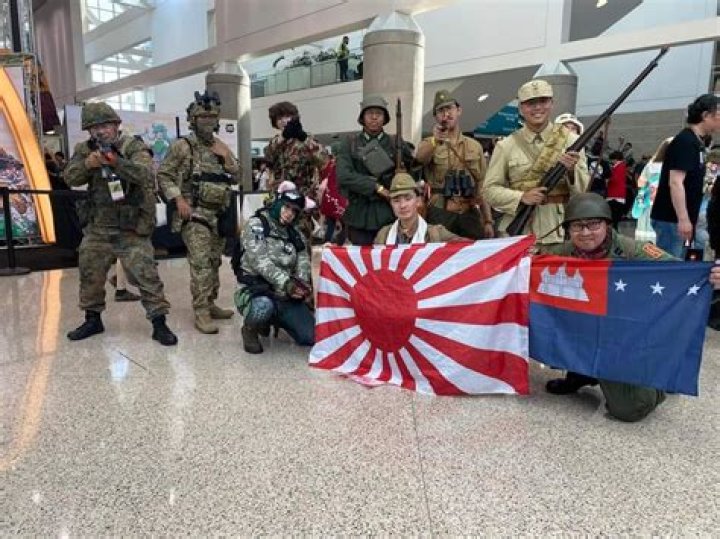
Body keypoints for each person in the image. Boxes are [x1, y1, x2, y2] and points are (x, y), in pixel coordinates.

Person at [538, 193, 720, 422]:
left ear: (607, 225)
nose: (585, 233)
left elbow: (679, 273)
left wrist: (711, 277)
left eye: (593, 224)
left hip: (624, 341)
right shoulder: (560, 254)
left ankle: (657, 381)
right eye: (577, 226)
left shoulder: (635, 252)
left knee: (631, 408)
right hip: (583, 335)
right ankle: (581, 371)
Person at [64, 102, 177, 346]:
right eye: (94, 127)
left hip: (131, 228)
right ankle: (92, 319)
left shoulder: (133, 146)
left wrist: (116, 162)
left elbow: (145, 175)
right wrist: (88, 165)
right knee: (90, 274)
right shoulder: (84, 150)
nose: (100, 131)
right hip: (98, 227)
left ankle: (159, 323)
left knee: (146, 275)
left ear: (116, 125)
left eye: (105, 125)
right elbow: (70, 177)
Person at [157, 90, 239, 334]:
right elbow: (164, 175)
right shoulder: (182, 146)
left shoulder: (220, 146)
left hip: (218, 215)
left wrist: (227, 158)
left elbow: (237, 176)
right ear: (193, 120)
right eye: (203, 117)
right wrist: (178, 199)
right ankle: (201, 310)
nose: (208, 122)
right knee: (201, 263)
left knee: (214, 261)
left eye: (212, 117)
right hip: (194, 214)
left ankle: (210, 302)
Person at [483, 79, 590, 246]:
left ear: (552, 103)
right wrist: (521, 197)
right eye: (530, 103)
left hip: (558, 230)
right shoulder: (506, 145)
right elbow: (489, 191)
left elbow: (583, 193)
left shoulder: (571, 141)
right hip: (518, 231)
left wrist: (571, 172)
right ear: (521, 108)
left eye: (543, 101)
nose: (537, 107)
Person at [232, 189, 314, 354]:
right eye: (286, 207)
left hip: (285, 294)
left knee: (310, 336)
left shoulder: (296, 234)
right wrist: (287, 283)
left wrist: (301, 285)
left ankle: (278, 319)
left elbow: (303, 262)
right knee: (263, 306)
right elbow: (259, 262)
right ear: (278, 204)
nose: (289, 214)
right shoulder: (256, 225)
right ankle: (250, 329)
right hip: (256, 290)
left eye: (294, 211)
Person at [336, 94, 415, 245]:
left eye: (378, 113)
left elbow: (414, 171)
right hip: (359, 214)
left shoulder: (395, 142)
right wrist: (376, 187)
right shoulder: (350, 143)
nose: (374, 117)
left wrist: (402, 175)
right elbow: (344, 176)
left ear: (384, 118)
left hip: (388, 213)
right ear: (362, 117)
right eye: (369, 113)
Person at [415, 89, 494, 240]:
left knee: (475, 251)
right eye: (441, 111)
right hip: (440, 212)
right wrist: (435, 141)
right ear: (435, 117)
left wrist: (487, 220)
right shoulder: (429, 143)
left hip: (469, 211)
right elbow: (420, 159)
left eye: (450, 108)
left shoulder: (474, 146)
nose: (446, 114)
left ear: (459, 110)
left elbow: (482, 184)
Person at [651, 94, 720, 258]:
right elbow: (675, 182)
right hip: (673, 220)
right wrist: (683, 219)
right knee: (671, 263)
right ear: (705, 115)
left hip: (685, 219)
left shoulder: (697, 143)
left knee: (683, 259)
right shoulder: (685, 141)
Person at [263, 101, 326, 199]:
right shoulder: (275, 142)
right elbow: (268, 157)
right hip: (280, 195)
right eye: (279, 118)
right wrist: (283, 137)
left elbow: (322, 159)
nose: (284, 121)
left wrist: (303, 138)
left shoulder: (307, 139)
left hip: (304, 195)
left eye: (287, 116)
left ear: (294, 117)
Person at [375, 173, 460, 244]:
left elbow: (465, 249)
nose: (402, 205)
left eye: (408, 199)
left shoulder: (436, 234)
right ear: (391, 204)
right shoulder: (384, 235)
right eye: (396, 201)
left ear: (418, 201)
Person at [631, 138, 672, 242]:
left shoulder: (651, 165)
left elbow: (640, 183)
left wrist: (648, 187)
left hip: (647, 206)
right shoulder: (674, 166)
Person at [606, 150, 627, 229]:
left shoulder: (619, 167)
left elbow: (615, 179)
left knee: (613, 215)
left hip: (614, 194)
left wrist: (608, 180)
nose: (611, 161)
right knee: (616, 215)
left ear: (615, 159)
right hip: (619, 193)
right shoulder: (622, 166)